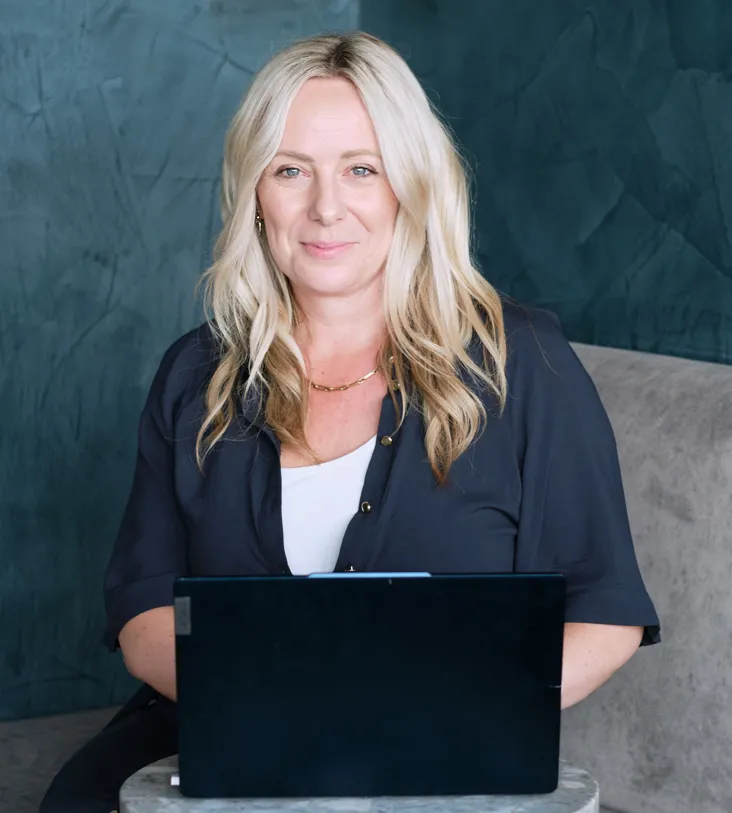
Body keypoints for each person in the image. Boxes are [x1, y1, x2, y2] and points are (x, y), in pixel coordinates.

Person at [40, 29, 660, 813]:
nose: (325, 206)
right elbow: (142, 609)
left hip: (447, 754)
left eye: (360, 170)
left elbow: (608, 613)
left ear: (409, 186)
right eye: (291, 170)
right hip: (210, 741)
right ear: (255, 191)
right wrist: (285, 714)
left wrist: (445, 711)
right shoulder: (194, 375)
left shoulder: (521, 363)